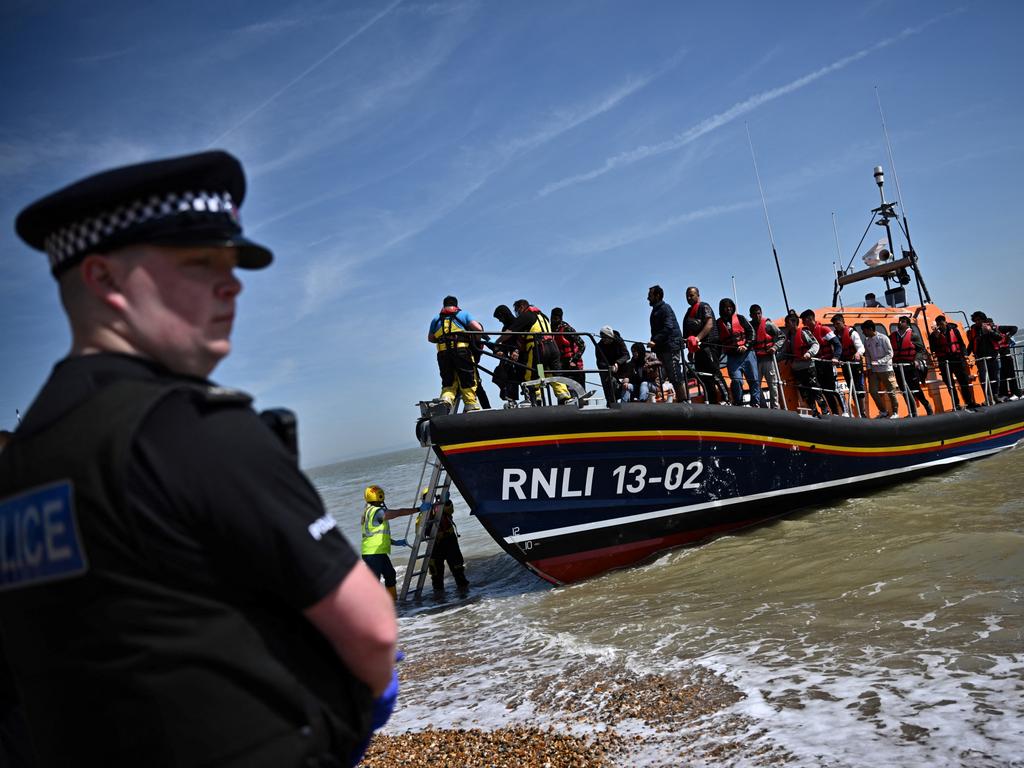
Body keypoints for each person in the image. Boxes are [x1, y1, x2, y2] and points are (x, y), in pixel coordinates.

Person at [0, 151, 398, 767]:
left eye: (232, 263)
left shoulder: (21, 464)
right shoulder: (190, 430)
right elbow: (372, 631)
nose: (233, 282)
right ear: (104, 280)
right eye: (199, 261)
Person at [498, 301, 571, 405]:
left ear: (522, 307)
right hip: (553, 348)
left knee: (530, 374)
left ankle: (534, 399)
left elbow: (509, 333)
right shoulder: (544, 316)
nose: (516, 313)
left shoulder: (526, 315)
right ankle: (564, 397)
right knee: (552, 373)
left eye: (517, 310)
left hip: (539, 348)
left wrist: (497, 341)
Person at [362, 485, 419, 601]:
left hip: (378, 552)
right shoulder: (376, 512)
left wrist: (395, 542)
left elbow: (376, 535)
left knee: (390, 575)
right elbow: (398, 513)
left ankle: (393, 604)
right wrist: (418, 509)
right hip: (373, 553)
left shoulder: (370, 511)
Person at [428, 295, 484, 413]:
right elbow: (478, 329)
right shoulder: (463, 314)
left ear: (444, 305)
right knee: (467, 378)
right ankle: (470, 405)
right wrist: (476, 342)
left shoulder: (436, 319)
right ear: (456, 305)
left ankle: (446, 399)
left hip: (443, 354)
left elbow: (431, 338)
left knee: (448, 380)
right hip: (462, 351)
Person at [682, 286, 729, 404]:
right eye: (687, 296)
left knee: (715, 373)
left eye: (691, 295)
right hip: (697, 350)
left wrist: (698, 338)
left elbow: (709, 323)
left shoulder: (704, 306)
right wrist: (690, 350)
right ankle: (712, 401)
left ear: (698, 295)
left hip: (709, 345)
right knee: (704, 377)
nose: (689, 298)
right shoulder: (688, 313)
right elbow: (688, 334)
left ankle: (726, 399)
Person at [417, 490, 469, 592]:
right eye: (426, 497)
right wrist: (426, 526)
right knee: (436, 575)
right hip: (434, 544)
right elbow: (419, 532)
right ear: (423, 500)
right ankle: (439, 598)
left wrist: (447, 501)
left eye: (431, 497)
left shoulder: (441, 507)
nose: (429, 500)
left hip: (449, 541)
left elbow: (449, 509)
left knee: (458, 569)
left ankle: (464, 593)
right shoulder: (422, 515)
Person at [717, 298, 761, 406]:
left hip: (748, 354)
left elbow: (751, 332)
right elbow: (716, 340)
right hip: (732, 357)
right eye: (725, 307)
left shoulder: (740, 318)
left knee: (754, 380)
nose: (728, 309)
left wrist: (746, 345)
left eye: (730, 307)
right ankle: (738, 403)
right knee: (737, 381)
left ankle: (756, 404)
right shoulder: (718, 323)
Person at [800, 309, 844, 416]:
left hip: (828, 364)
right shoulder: (807, 333)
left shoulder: (824, 329)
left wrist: (836, 357)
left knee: (832, 390)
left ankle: (842, 412)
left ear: (810, 319)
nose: (802, 323)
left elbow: (837, 345)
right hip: (817, 365)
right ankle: (833, 413)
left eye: (804, 320)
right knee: (823, 390)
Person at [929, 315, 977, 409]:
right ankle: (956, 404)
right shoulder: (933, 335)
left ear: (945, 322)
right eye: (938, 324)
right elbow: (933, 349)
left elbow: (961, 344)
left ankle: (969, 402)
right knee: (950, 384)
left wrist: (965, 354)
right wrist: (936, 337)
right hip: (944, 361)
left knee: (963, 381)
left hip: (957, 359)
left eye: (941, 323)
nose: (940, 326)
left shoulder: (954, 330)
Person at [646, 285, 685, 401]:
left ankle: (684, 400)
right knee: (671, 375)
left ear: (657, 296)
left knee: (675, 374)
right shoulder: (656, 310)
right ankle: (681, 400)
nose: (648, 298)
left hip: (671, 346)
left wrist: (655, 341)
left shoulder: (665, 308)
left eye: (650, 296)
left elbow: (668, 327)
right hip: (663, 348)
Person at [783, 312, 826, 416]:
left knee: (815, 389)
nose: (786, 325)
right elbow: (784, 352)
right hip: (797, 369)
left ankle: (824, 410)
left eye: (787, 323)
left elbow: (815, 344)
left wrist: (809, 353)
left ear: (793, 323)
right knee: (805, 393)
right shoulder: (788, 337)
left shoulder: (803, 332)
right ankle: (814, 411)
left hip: (808, 367)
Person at [890, 316, 933, 416]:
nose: (900, 323)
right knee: (903, 390)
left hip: (910, 366)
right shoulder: (892, 336)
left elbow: (920, 349)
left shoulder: (913, 336)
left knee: (915, 388)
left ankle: (927, 406)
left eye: (903, 321)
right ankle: (912, 411)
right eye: (899, 321)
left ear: (908, 324)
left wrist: (917, 360)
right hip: (898, 367)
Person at [861, 319, 900, 418]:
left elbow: (890, 353)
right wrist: (869, 367)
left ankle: (895, 412)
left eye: (864, 330)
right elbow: (868, 356)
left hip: (886, 369)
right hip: (874, 371)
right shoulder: (867, 341)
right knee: (873, 391)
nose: (863, 332)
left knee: (891, 391)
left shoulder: (883, 338)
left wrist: (880, 362)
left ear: (870, 329)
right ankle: (883, 411)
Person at [748, 304, 785, 409]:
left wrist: (775, 347)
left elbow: (781, 336)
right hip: (756, 360)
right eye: (755, 314)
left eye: (759, 313)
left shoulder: (768, 325)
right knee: (756, 385)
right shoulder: (749, 327)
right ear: (751, 315)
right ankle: (763, 407)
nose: (757, 316)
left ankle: (775, 407)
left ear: (761, 313)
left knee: (772, 384)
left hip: (769, 359)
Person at [831, 313, 868, 417]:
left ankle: (862, 412)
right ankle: (857, 411)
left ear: (843, 322)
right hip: (845, 364)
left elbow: (861, 348)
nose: (836, 326)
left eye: (838, 323)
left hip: (855, 364)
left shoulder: (852, 333)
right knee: (851, 387)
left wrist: (857, 353)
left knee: (859, 387)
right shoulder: (835, 336)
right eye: (834, 324)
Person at [967, 311, 1002, 404]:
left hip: (992, 356)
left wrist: (989, 331)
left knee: (995, 377)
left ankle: (995, 395)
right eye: (976, 320)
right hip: (980, 358)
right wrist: (966, 354)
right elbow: (971, 343)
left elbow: (999, 337)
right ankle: (988, 398)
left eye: (980, 320)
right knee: (983, 379)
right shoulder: (973, 330)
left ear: (984, 320)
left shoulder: (991, 326)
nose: (978, 322)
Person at [491, 304, 523, 404]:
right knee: (501, 373)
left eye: (500, 318)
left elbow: (522, 339)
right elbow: (504, 344)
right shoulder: (505, 328)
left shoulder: (517, 323)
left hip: (522, 355)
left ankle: (532, 398)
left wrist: (517, 351)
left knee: (520, 374)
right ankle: (509, 398)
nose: (500, 320)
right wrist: (500, 351)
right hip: (510, 357)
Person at [550, 307, 586, 388]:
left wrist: (574, 360)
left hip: (573, 363)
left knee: (578, 389)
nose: (553, 320)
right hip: (560, 364)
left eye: (556, 318)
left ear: (560, 318)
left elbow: (582, 345)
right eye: (552, 318)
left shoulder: (567, 328)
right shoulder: (550, 329)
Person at [595, 326, 630, 403]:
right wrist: (609, 367)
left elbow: (627, 355)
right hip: (607, 369)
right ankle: (610, 401)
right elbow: (599, 362)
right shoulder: (599, 346)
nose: (603, 340)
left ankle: (624, 400)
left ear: (610, 336)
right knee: (606, 378)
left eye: (605, 338)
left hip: (621, 368)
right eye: (602, 338)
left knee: (623, 383)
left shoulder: (619, 341)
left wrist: (617, 363)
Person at [991, 318, 1021, 401]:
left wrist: (1009, 336)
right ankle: (1004, 393)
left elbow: (1014, 328)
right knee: (1002, 376)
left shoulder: (1000, 329)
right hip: (998, 357)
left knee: (1011, 375)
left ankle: (1016, 393)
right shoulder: (989, 334)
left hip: (1006, 354)